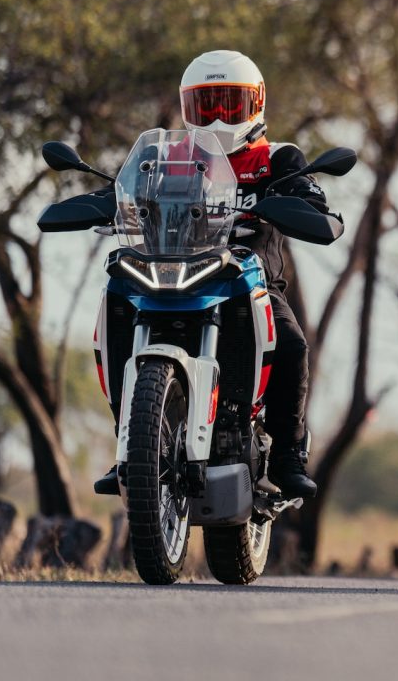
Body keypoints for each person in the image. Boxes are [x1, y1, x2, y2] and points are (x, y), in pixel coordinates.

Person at [94, 50, 328, 499]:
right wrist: (99, 201)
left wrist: (305, 202)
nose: (219, 117)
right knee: (117, 307)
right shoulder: (165, 157)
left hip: (249, 279)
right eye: (207, 105)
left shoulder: (277, 157)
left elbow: (309, 195)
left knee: (293, 344)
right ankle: (132, 446)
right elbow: (123, 190)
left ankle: (287, 455)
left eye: (230, 104)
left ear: (256, 103)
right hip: (171, 273)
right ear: (188, 107)